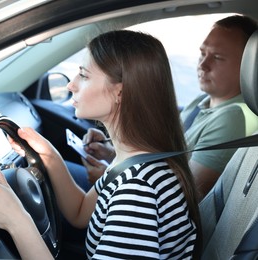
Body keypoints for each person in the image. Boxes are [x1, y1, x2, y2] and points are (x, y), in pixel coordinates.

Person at [0, 30, 201, 259]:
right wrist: (48, 154)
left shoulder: (138, 191)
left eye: (84, 75)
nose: (71, 85)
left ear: (120, 92)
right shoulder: (134, 160)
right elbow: (80, 213)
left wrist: (15, 220)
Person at [78, 15, 258, 202]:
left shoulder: (234, 117)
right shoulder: (203, 101)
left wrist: (112, 180)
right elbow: (167, 157)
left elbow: (185, 194)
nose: (203, 65)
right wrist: (112, 152)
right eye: (203, 53)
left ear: (248, 65)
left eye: (218, 58)